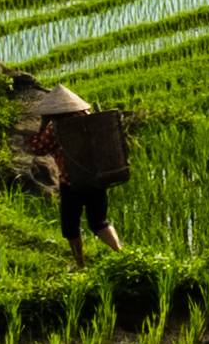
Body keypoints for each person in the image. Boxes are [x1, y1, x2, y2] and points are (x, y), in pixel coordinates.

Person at [23, 84, 131, 249]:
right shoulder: (91, 120)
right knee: (99, 222)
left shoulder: (55, 129)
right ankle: (120, 251)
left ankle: (80, 265)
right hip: (96, 179)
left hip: (71, 183)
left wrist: (43, 125)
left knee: (70, 227)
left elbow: (37, 149)